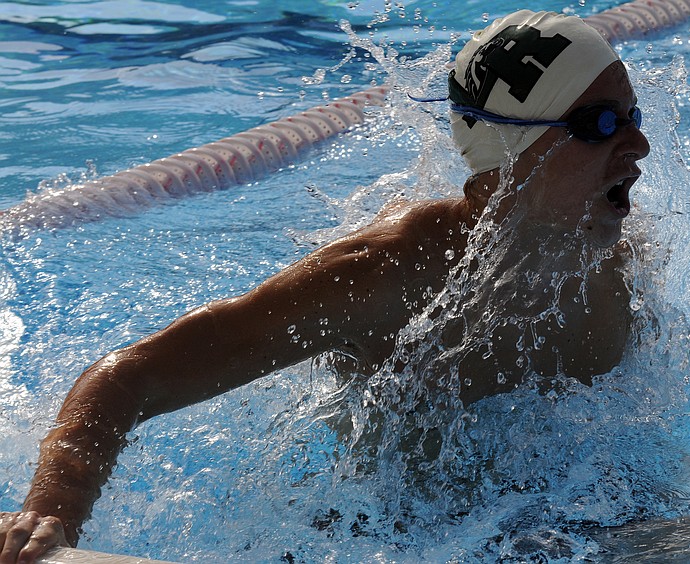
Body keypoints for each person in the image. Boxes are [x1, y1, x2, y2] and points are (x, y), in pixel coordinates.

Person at [0, 10, 649, 563]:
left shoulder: (618, 262)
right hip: (389, 531)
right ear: (513, 148)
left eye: (632, 115)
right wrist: (52, 512)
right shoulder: (386, 277)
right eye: (600, 125)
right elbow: (128, 378)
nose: (639, 145)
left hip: (560, 516)